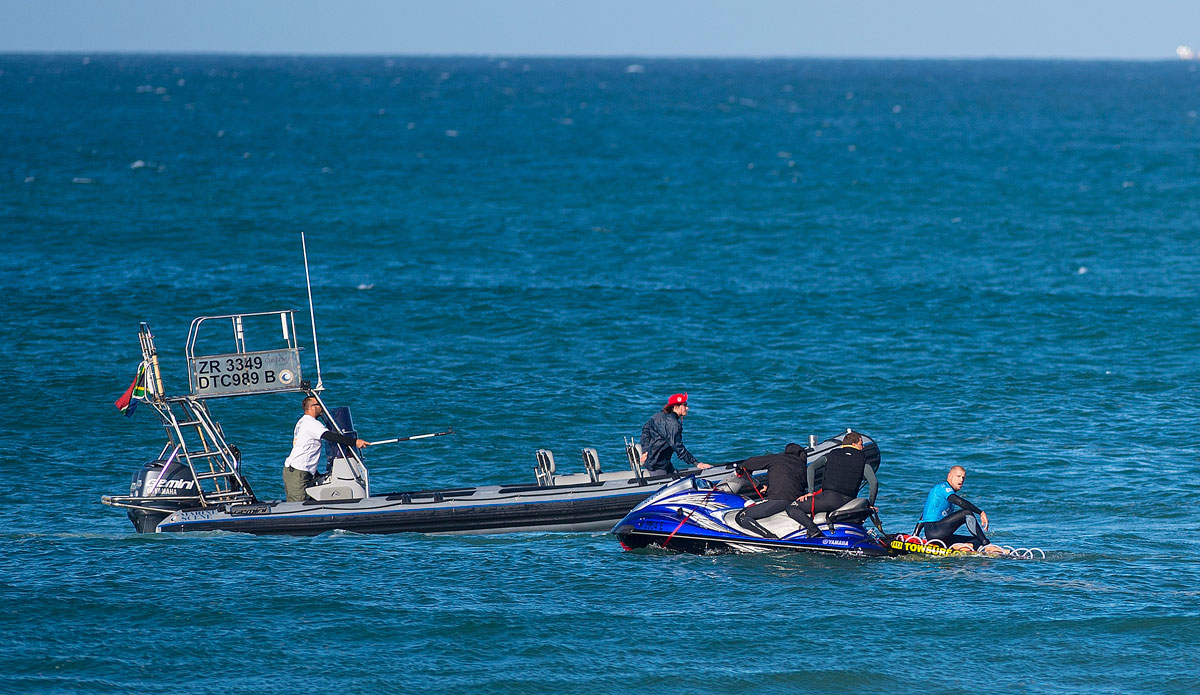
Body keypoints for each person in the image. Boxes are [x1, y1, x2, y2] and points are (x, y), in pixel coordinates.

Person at [283, 396, 368, 502]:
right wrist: (355, 442)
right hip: (298, 471)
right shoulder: (311, 423)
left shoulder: (302, 422)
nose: (322, 407)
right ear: (312, 408)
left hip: (302, 470)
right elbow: (330, 436)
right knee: (297, 504)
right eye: (318, 404)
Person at [786, 431, 868, 538]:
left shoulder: (832, 454)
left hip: (831, 499)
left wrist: (811, 492)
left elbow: (811, 468)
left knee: (791, 508)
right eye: (861, 444)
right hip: (849, 500)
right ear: (854, 444)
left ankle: (813, 530)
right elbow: (873, 482)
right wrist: (871, 503)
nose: (863, 447)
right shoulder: (862, 458)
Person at [733, 443, 808, 538]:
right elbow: (790, 483)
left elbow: (749, 462)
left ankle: (770, 537)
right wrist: (769, 489)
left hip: (780, 500)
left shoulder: (778, 458)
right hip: (795, 501)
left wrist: (745, 469)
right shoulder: (801, 465)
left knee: (741, 517)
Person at [919, 465, 991, 550]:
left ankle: (960, 547)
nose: (961, 480)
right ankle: (986, 544)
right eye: (958, 476)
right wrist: (980, 512)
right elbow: (960, 502)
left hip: (942, 536)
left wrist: (915, 534)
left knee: (976, 541)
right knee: (967, 513)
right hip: (935, 531)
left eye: (963, 477)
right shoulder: (944, 488)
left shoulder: (943, 492)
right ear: (949, 476)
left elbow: (925, 514)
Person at [639, 392, 712, 475]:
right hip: (658, 466)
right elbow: (678, 447)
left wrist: (645, 451)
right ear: (676, 407)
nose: (687, 408)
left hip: (661, 462)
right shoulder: (674, 425)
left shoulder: (658, 415)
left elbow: (645, 430)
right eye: (684, 405)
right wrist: (696, 463)